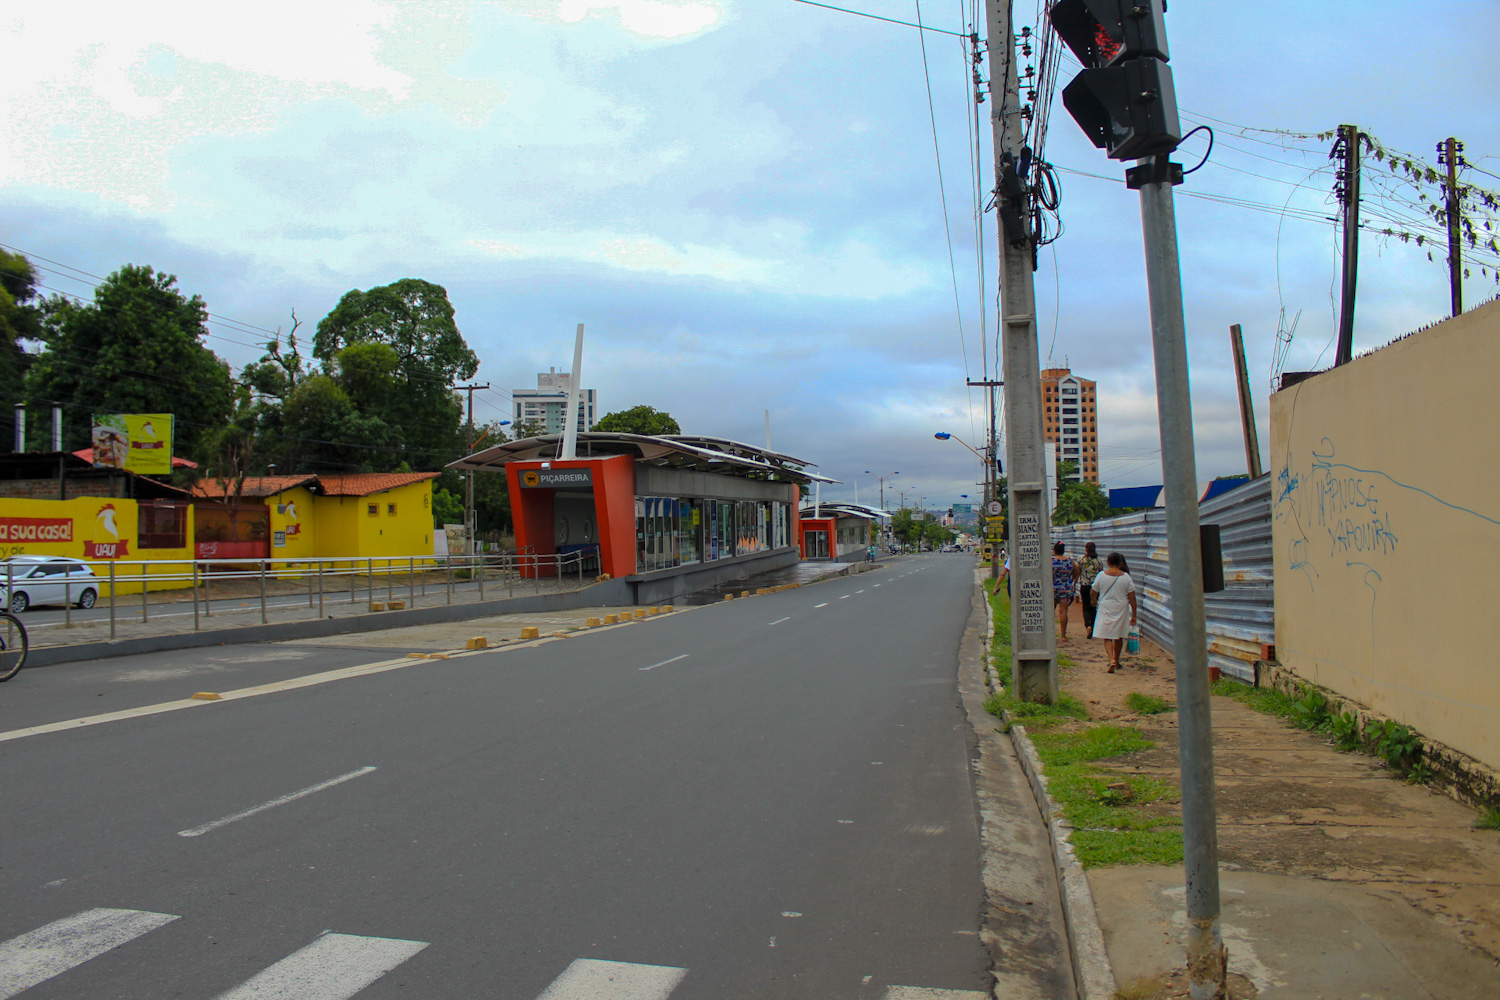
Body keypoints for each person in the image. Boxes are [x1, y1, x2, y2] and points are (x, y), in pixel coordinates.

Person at [1091, 551, 1138, 673]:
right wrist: (1134, 614)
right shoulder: (1126, 577)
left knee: (1107, 636)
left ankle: (1111, 659)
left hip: (1105, 607)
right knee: (1119, 636)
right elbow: (1132, 597)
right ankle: (1116, 660)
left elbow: (1094, 590)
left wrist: (1093, 600)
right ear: (1120, 563)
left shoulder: (1101, 575)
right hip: (1121, 608)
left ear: (1108, 562)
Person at [1052, 541, 1080, 642]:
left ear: (1054, 551)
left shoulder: (1051, 561)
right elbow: (1076, 572)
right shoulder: (1070, 561)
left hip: (1053, 588)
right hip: (1066, 589)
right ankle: (1063, 635)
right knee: (1063, 611)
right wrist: (1071, 582)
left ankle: (1051, 634)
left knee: (1051, 612)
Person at [1076, 542, 1104, 639]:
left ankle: (1088, 625)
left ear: (1086, 549)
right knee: (1094, 607)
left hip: (1084, 586)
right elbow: (1101, 574)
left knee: (1086, 607)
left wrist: (1075, 582)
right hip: (1096, 587)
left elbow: (1078, 572)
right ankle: (1093, 626)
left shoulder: (1081, 559)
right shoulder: (1099, 561)